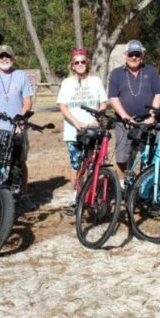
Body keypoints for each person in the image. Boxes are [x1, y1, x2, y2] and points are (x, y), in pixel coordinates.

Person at [0, 45, 35, 210]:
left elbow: (27, 101)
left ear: (12, 57)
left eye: (7, 56)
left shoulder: (21, 75)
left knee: (20, 161)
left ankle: (23, 193)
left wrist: (21, 120)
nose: (4, 59)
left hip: (17, 128)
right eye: (1, 56)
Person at [56, 48, 107, 209]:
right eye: (76, 62)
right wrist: (76, 122)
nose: (80, 64)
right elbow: (62, 106)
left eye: (82, 61)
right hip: (74, 131)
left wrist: (97, 119)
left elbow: (103, 102)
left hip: (93, 129)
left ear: (87, 63)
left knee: (94, 163)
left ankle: (93, 193)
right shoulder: (67, 83)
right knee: (77, 164)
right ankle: (76, 195)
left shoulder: (96, 81)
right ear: (72, 65)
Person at [108, 40, 160, 182]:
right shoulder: (116, 73)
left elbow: (158, 94)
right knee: (122, 157)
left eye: (137, 54)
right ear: (125, 55)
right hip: (124, 122)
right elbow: (113, 98)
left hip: (148, 121)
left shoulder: (150, 71)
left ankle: (143, 187)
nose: (134, 57)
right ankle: (122, 186)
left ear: (142, 55)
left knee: (148, 156)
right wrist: (125, 116)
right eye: (131, 54)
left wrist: (152, 116)